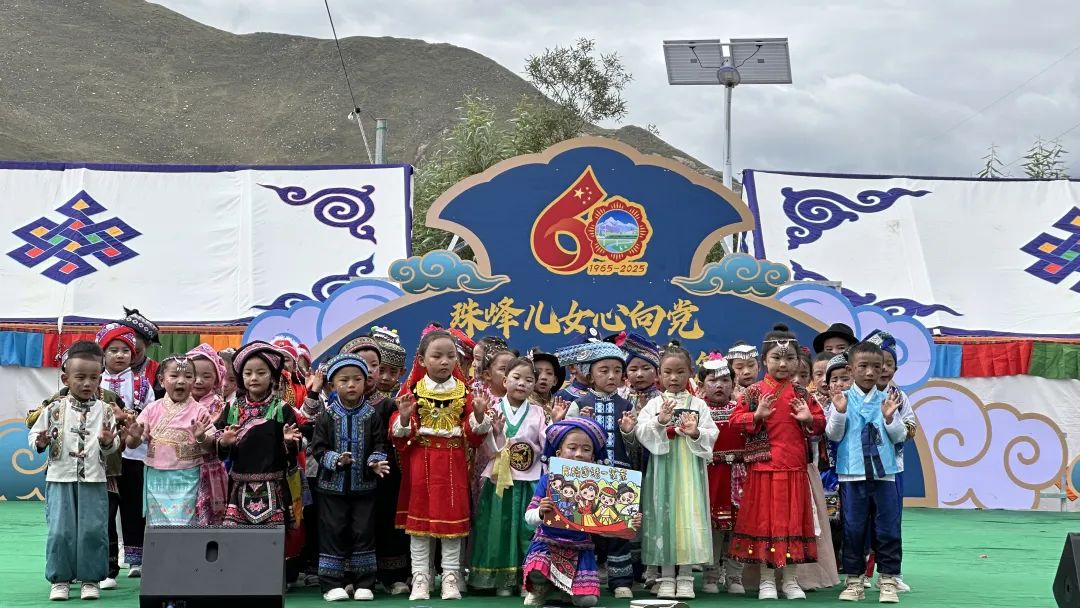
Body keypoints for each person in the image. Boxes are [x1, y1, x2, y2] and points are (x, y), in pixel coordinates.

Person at [391, 325, 492, 601]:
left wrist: (479, 415)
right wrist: (403, 418)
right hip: (420, 464)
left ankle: (450, 577)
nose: (445, 361)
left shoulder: (463, 392)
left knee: (452, 523)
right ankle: (420, 578)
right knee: (419, 526)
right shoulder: (413, 391)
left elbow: (474, 436)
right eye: (437, 356)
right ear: (422, 360)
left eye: (450, 356)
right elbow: (400, 435)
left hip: (453, 464)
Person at [728, 324, 826, 601]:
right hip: (763, 469)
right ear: (764, 361)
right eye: (776, 358)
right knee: (766, 524)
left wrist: (809, 419)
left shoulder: (803, 394)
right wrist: (757, 415)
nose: (783, 364)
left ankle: (791, 581)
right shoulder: (753, 393)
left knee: (792, 524)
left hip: (794, 468)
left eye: (789, 358)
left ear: (798, 361)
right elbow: (735, 422)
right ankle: (767, 581)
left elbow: (821, 423)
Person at [29, 341, 121, 601]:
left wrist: (107, 442)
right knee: (60, 530)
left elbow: (112, 445)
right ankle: (60, 579)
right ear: (65, 378)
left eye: (93, 378)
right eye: (80, 377)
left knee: (92, 530)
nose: (87, 383)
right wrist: (40, 441)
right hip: (60, 477)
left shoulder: (105, 410)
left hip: (94, 478)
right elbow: (35, 434)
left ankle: (90, 579)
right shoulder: (53, 409)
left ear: (100, 379)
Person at [523, 418, 641, 607]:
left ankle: (566, 589)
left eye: (586, 450)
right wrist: (540, 512)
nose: (579, 454)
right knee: (537, 570)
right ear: (559, 453)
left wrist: (628, 523)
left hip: (580, 550)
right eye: (572, 448)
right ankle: (541, 587)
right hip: (548, 545)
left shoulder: (598, 487)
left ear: (592, 457)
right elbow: (529, 518)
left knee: (587, 601)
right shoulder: (548, 480)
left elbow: (605, 529)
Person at [556, 338, 639, 599]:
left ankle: (621, 581)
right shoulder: (579, 404)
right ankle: (585, 579)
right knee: (586, 529)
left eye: (617, 371)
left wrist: (628, 432)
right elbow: (568, 442)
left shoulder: (627, 405)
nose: (611, 376)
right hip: (587, 477)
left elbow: (635, 447)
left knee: (618, 530)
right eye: (604, 371)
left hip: (619, 476)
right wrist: (582, 425)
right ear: (590, 374)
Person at [826, 340, 907, 604]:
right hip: (852, 474)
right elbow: (833, 435)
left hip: (885, 475)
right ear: (850, 369)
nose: (870, 372)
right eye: (863, 366)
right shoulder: (842, 399)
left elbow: (900, 437)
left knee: (888, 528)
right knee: (854, 528)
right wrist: (839, 413)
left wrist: (890, 418)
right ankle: (854, 580)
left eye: (876, 367)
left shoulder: (888, 399)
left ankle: (888, 579)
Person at [635, 343, 718, 600]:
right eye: (668, 372)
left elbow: (711, 433)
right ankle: (667, 576)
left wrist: (695, 432)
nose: (674, 378)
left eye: (680, 372)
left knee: (688, 517)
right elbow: (641, 431)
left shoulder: (698, 404)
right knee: (663, 517)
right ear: (659, 375)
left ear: (690, 373)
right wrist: (659, 421)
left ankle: (685, 577)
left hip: (689, 471)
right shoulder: (653, 404)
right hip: (662, 470)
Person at [309, 353, 391, 602]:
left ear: (365, 382)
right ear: (333, 385)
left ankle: (364, 582)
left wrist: (374, 461)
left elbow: (380, 443)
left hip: (364, 486)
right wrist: (337, 460)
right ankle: (331, 584)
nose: (351, 385)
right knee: (332, 531)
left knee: (363, 530)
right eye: (344, 380)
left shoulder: (372, 415)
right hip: (331, 487)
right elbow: (318, 448)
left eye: (357, 379)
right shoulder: (326, 416)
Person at [339, 335, 412, 595]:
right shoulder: (337, 406)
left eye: (374, 365)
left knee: (387, 522)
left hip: (384, 478)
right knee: (353, 527)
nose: (370, 371)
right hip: (350, 477)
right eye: (363, 364)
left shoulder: (389, 404)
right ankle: (354, 577)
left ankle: (393, 576)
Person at [471, 357, 548, 595]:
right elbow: (487, 448)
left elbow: (546, 445)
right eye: (516, 378)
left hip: (529, 480)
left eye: (529, 380)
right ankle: (502, 580)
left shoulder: (538, 412)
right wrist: (495, 432)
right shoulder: (493, 408)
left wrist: (556, 422)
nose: (522, 383)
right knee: (498, 528)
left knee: (527, 530)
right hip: (499, 479)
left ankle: (528, 580)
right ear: (505, 381)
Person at [216, 341, 303, 527]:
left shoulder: (282, 409)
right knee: (236, 536)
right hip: (239, 483)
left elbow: (298, 443)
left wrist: (289, 442)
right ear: (241, 378)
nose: (254, 378)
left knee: (272, 538)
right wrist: (223, 442)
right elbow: (218, 439)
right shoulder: (232, 408)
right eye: (248, 373)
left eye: (261, 373)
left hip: (274, 483)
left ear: (272, 377)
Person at [125, 356, 216, 526]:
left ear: (193, 380)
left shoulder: (200, 411)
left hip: (188, 477)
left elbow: (211, 446)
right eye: (174, 376)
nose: (181, 381)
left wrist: (201, 437)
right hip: (156, 478)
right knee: (159, 528)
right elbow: (131, 444)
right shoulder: (152, 409)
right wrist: (135, 436)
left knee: (184, 526)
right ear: (161, 380)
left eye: (188, 376)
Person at [97, 322, 153, 577]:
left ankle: (136, 559)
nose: (120, 355)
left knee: (134, 507)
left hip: (134, 455)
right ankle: (108, 561)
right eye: (113, 350)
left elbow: (150, 416)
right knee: (106, 510)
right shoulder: (95, 383)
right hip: (104, 458)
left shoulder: (143, 384)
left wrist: (130, 421)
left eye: (125, 350)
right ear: (102, 354)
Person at [866, 329, 917, 594]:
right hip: (859, 471)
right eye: (878, 364)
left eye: (889, 363)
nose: (884, 369)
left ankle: (891, 574)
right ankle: (861, 573)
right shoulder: (856, 394)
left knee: (890, 523)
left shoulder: (899, 396)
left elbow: (910, 428)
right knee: (861, 523)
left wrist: (892, 425)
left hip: (891, 470)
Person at [698, 353, 746, 595]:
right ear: (701, 385)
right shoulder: (697, 410)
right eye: (713, 380)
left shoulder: (741, 409)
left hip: (739, 475)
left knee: (739, 526)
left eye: (725, 380)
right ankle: (711, 574)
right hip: (710, 475)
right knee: (714, 526)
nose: (719, 385)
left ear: (734, 384)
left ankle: (735, 575)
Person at [186, 344, 230, 524]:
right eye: (193, 375)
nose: (198, 381)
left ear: (217, 379)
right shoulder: (177, 403)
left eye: (206, 376)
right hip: (182, 469)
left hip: (209, 469)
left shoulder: (220, 406)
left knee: (210, 519)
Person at [118, 307, 162, 397]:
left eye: (136, 352)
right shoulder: (108, 366)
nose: (130, 356)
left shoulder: (157, 371)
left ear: (148, 344)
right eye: (126, 350)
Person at [371, 326, 408, 401]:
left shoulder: (404, 397)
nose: (385, 378)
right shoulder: (360, 394)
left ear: (401, 372)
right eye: (381, 370)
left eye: (393, 372)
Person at [528, 349, 565, 420]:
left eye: (549, 373)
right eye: (538, 372)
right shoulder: (521, 403)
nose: (544, 377)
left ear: (555, 381)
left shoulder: (559, 407)